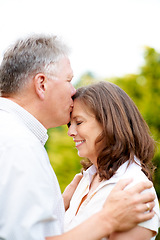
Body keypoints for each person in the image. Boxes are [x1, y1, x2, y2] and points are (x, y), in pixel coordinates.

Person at [0, 34, 156, 240]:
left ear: (109, 124)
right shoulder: (18, 146)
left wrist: (56, 207)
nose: (72, 90)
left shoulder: (131, 187)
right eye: (69, 80)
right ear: (41, 84)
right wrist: (106, 219)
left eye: (79, 122)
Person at [65, 81, 160, 239]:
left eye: (79, 122)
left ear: (109, 122)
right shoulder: (86, 180)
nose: (70, 132)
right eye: (69, 124)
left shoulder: (134, 189)